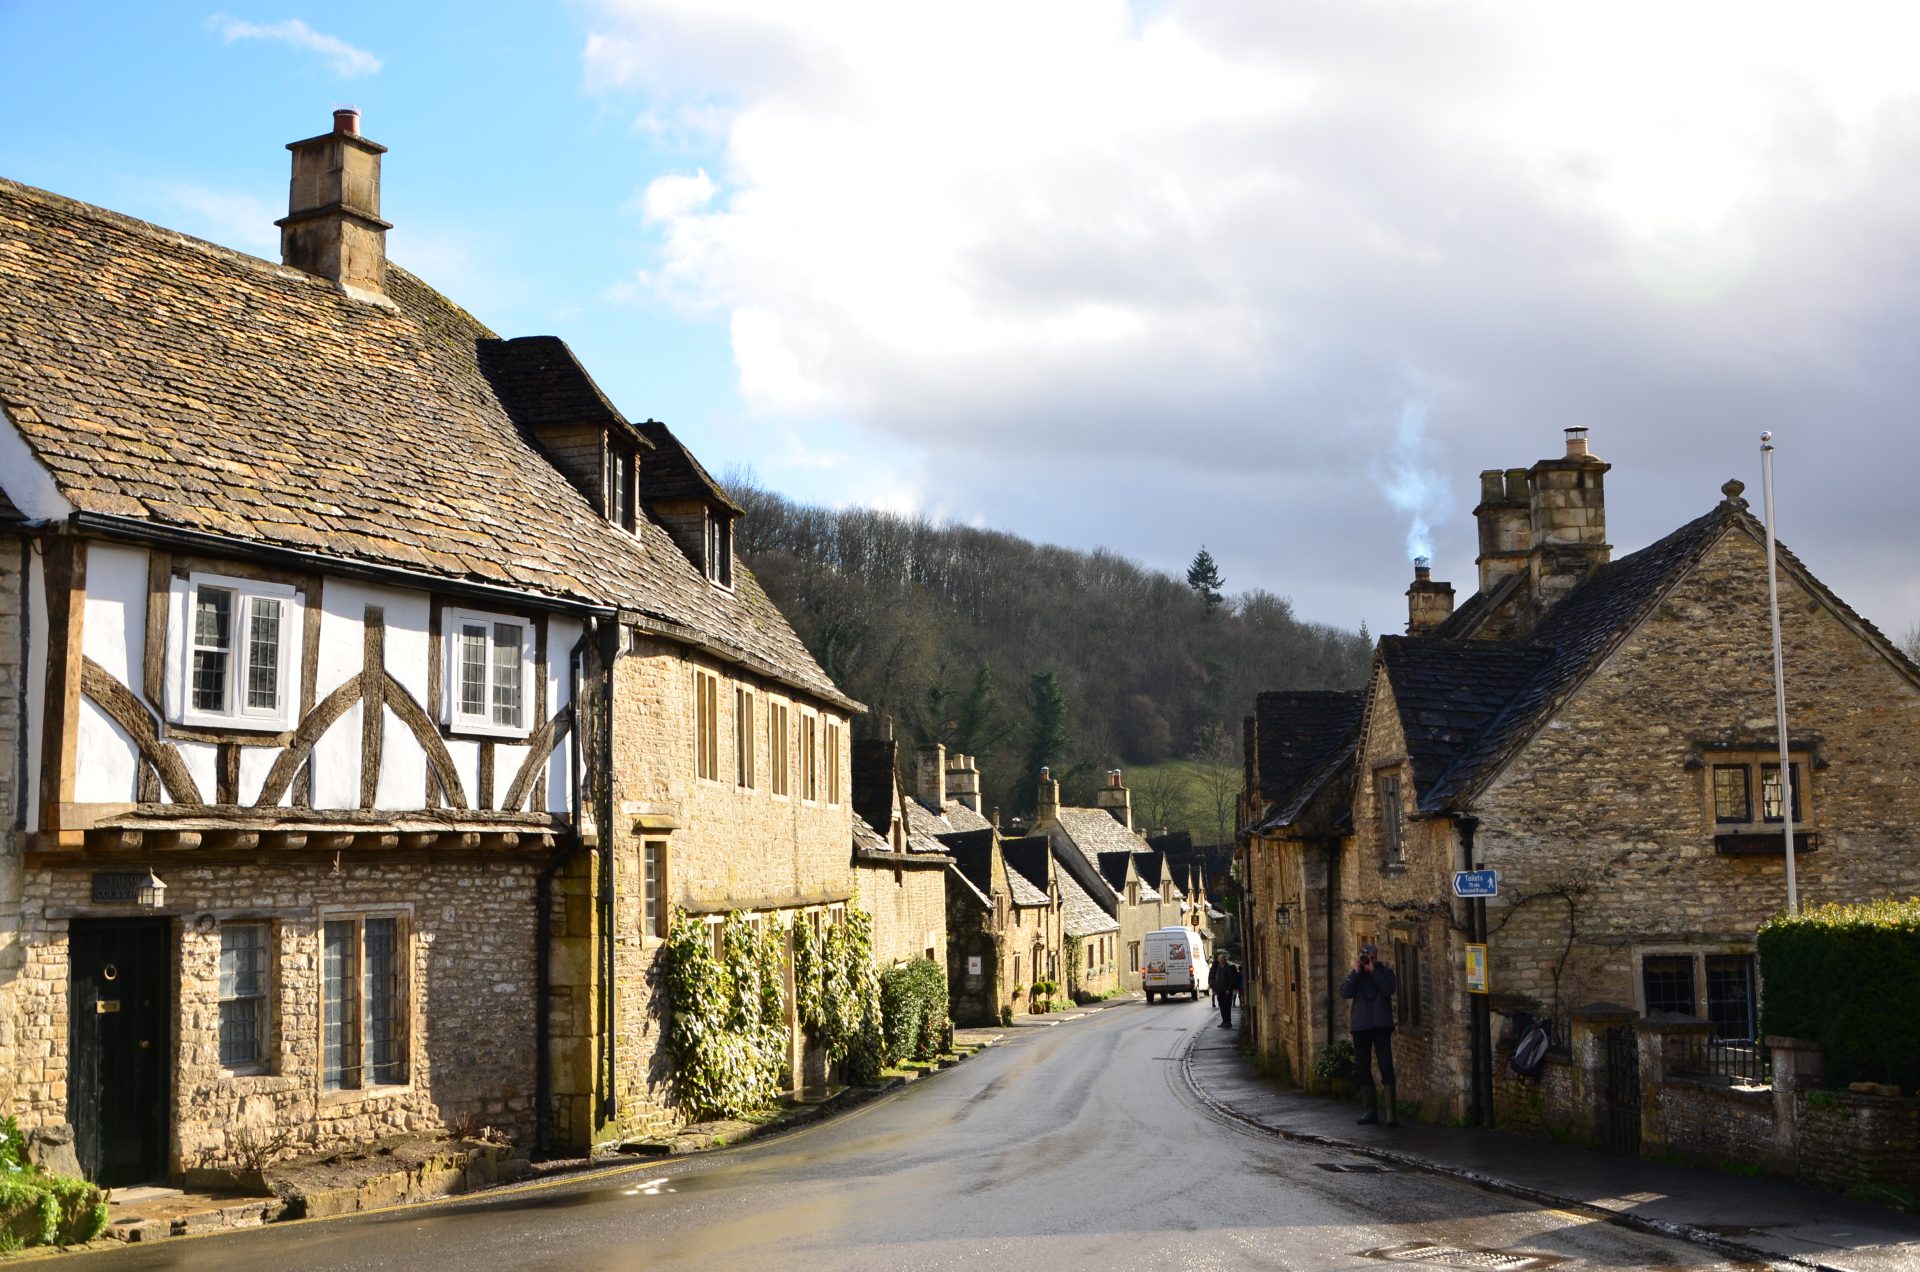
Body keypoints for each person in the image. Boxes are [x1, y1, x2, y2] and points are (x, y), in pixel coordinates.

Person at [1338, 942, 1398, 1125]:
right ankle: (1370, 1110)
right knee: (1363, 1068)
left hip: (1381, 1026)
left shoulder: (1385, 973)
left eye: (1371, 958)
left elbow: (1389, 989)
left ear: (1376, 957)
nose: (1367, 961)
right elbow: (1345, 992)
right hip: (1361, 1027)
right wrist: (1357, 971)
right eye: (1365, 958)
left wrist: (1373, 970)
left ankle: (1391, 1113)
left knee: (1386, 1065)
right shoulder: (1357, 976)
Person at [1214, 956, 1241, 1029]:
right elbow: (1217, 980)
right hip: (1220, 990)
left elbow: (1230, 980)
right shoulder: (1219, 968)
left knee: (1226, 1006)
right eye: (1219, 960)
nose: (1220, 961)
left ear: (1224, 960)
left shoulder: (1228, 968)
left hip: (1226, 991)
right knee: (1221, 1006)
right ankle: (1224, 1021)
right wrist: (1215, 989)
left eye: (1222, 960)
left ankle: (1228, 1022)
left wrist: (1229, 989)